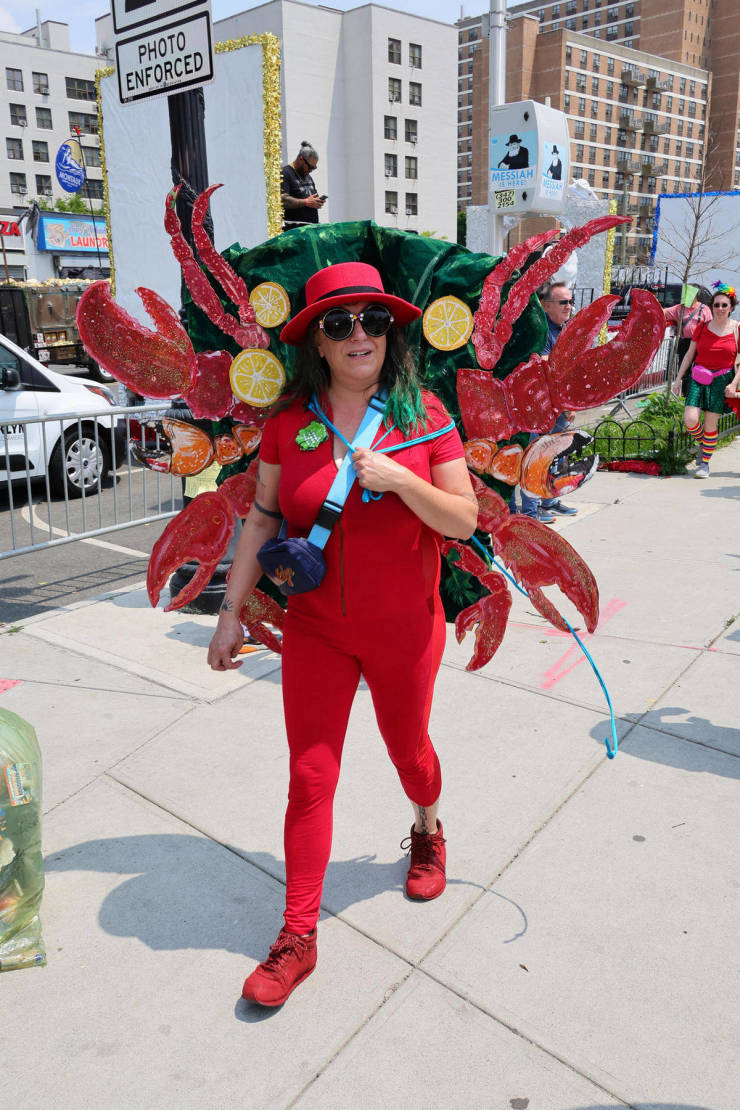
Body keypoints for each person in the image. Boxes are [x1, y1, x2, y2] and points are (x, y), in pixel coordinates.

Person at [207, 262, 477, 1006]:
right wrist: (231, 611)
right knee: (310, 776)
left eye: (373, 320)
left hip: (404, 631)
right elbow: (263, 517)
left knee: (411, 754)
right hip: (318, 632)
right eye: (339, 323)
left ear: (391, 331)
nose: (359, 334)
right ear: (315, 343)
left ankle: (427, 827)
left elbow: (463, 520)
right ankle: (299, 934)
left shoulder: (427, 416)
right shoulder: (287, 425)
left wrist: (404, 481)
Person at [518, 281, 578, 522]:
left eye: (570, 301)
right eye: (563, 302)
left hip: (559, 406)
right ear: (546, 305)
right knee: (537, 457)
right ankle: (532, 511)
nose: (568, 306)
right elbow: (544, 364)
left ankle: (549, 501)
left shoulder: (564, 329)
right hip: (540, 407)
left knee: (557, 453)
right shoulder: (541, 330)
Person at [671, 282, 740, 478]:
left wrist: (733, 383)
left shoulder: (737, 329)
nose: (719, 309)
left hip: (722, 380)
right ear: (712, 307)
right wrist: (678, 379)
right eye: (716, 305)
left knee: (711, 424)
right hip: (698, 378)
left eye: (724, 305)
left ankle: (704, 464)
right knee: (691, 419)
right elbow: (689, 355)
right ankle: (705, 444)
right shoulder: (702, 327)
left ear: (731, 308)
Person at [663, 287, 712, 398]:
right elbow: (664, 313)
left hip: (700, 344)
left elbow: (710, 327)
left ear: (695, 295)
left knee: (699, 370)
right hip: (685, 343)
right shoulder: (679, 308)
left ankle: (699, 395)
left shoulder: (704, 309)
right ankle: (686, 396)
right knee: (684, 369)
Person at [281, 141, 326, 229]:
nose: (311, 170)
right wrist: (306, 202)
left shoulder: (308, 177)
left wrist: (317, 202)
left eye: (314, 168)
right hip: (294, 231)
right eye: (310, 167)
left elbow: (312, 199)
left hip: (310, 229)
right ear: (301, 158)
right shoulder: (285, 173)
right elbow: (283, 200)